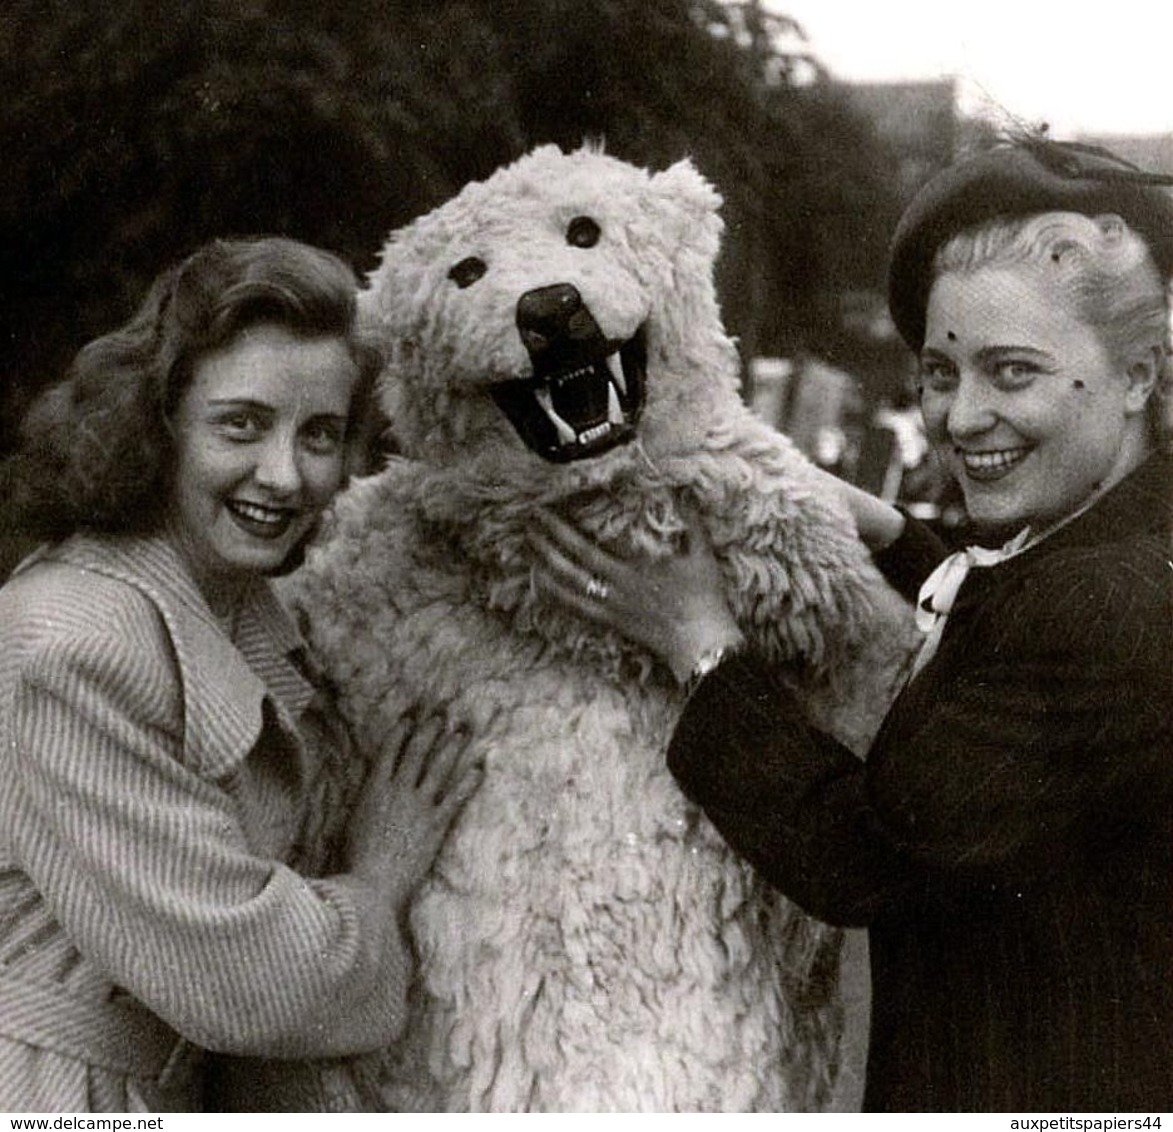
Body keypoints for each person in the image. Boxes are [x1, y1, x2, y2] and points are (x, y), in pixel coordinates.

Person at [531, 139, 1173, 1111]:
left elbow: (858, 854)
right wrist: (892, 533)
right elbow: (1010, 633)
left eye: (1012, 372)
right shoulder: (1120, 547)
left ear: (1138, 376)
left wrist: (698, 642)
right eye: (941, 373)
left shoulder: (1101, 606)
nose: (962, 418)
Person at [0, 237, 482, 1112]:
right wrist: (379, 877)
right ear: (161, 422)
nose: (285, 475)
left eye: (321, 436)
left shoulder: (232, 607)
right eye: (242, 424)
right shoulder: (74, 639)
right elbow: (248, 979)